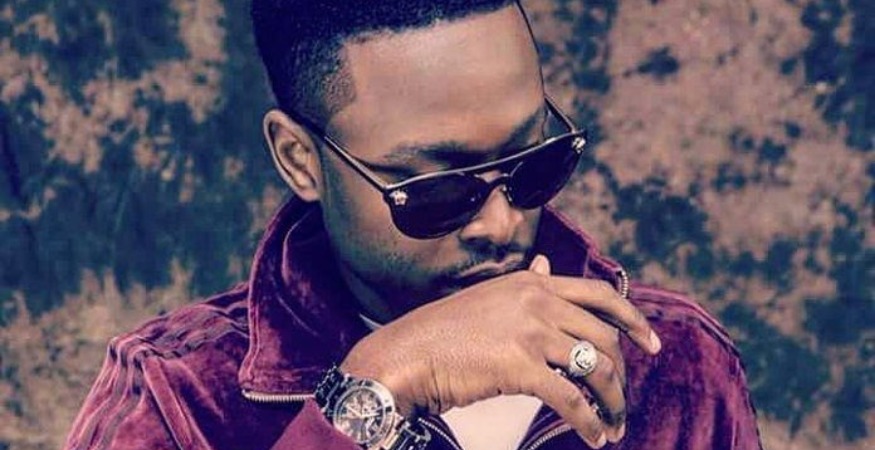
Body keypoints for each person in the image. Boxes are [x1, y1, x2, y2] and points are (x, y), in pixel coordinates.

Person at [65, 1, 763, 449]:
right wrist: (371, 389)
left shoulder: (676, 361)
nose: (501, 222)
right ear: (300, 159)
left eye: (533, 163)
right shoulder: (176, 396)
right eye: (436, 192)